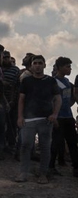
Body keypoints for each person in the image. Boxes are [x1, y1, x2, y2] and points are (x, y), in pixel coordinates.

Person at [16, 55, 61, 184]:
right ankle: (23, 173)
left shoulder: (51, 81)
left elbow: (58, 98)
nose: (37, 65)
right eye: (35, 63)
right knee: (25, 146)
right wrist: (20, 116)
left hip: (45, 119)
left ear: (44, 65)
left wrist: (55, 114)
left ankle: (43, 174)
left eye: (40, 63)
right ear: (31, 65)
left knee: (45, 147)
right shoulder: (26, 81)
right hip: (28, 119)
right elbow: (21, 99)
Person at [50, 57, 77, 177]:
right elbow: (50, 100)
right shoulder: (53, 82)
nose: (70, 69)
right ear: (60, 67)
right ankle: (51, 167)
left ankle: (76, 167)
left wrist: (68, 106)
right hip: (58, 117)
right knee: (56, 143)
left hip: (68, 115)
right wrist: (53, 115)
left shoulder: (67, 82)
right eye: (67, 66)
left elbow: (70, 98)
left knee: (72, 142)